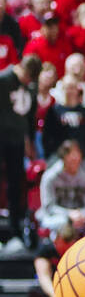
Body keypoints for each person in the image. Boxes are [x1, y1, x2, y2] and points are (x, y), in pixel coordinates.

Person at [0, 55, 38, 244]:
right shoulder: (3, 79)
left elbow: (30, 118)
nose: (28, 82)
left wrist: (29, 141)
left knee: (16, 185)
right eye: (27, 77)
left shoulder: (31, 87)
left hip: (16, 142)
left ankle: (15, 230)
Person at [37, 139, 85, 234]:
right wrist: (69, 214)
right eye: (71, 159)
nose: (75, 161)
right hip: (57, 216)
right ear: (63, 158)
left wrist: (81, 215)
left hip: (80, 216)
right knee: (60, 223)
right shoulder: (50, 177)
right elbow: (48, 207)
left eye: (77, 158)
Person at [42, 77, 85, 158]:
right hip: (60, 158)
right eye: (67, 88)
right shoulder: (54, 111)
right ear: (62, 89)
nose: (70, 91)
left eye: (72, 87)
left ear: (77, 90)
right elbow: (48, 137)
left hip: (82, 158)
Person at [23, 12, 72, 78]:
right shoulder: (34, 45)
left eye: (55, 26)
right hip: (40, 82)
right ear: (42, 28)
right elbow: (27, 68)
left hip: (61, 83)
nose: (53, 30)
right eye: (50, 26)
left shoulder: (64, 44)